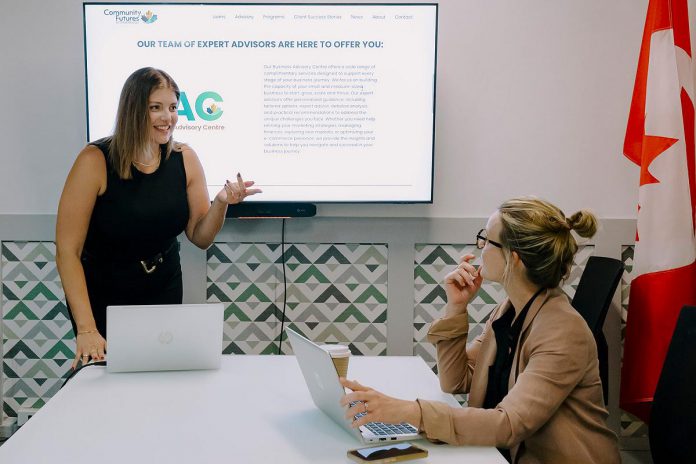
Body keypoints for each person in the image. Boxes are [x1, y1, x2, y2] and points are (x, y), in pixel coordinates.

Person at [340, 197, 620, 463]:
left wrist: (409, 411)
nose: (479, 247)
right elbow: (457, 380)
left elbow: (509, 424)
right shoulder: (509, 310)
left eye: (486, 240)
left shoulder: (562, 331)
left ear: (515, 258)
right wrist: (457, 308)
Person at [56, 67, 261, 369]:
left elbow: (200, 237)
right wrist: (87, 329)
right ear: (134, 109)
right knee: (103, 384)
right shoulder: (94, 160)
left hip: (163, 285)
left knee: (159, 376)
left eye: (173, 107)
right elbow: (67, 252)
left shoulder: (185, 158)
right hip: (105, 293)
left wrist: (221, 202)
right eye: (156, 108)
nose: (168, 118)